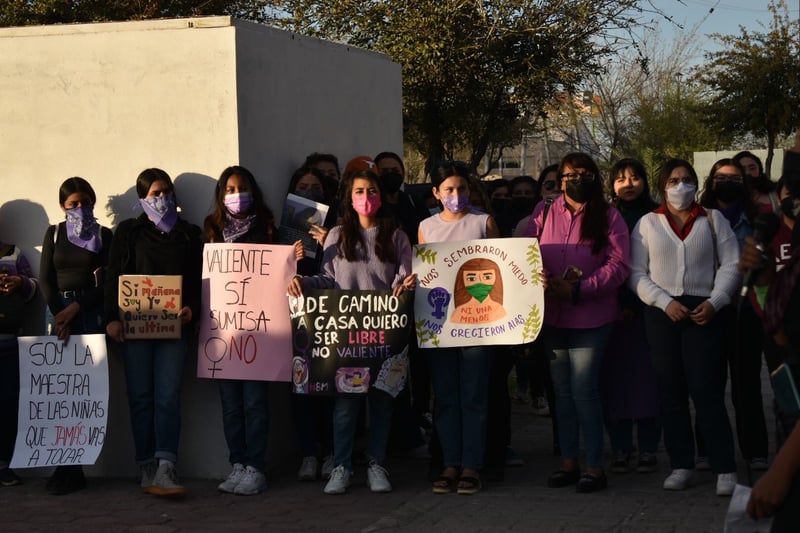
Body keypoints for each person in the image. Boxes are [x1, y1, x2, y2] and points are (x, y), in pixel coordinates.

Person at [287, 170, 415, 495]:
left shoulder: (397, 236)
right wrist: (305, 283)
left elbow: (403, 276)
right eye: (359, 190)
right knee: (345, 404)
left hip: (385, 331)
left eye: (371, 189)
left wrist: (405, 286)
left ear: (381, 194)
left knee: (382, 401)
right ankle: (341, 466)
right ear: (350, 196)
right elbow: (328, 278)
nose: (366, 196)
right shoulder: (336, 235)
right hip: (347, 333)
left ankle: (376, 464)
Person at [629, 158, 740, 496]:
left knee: (707, 391)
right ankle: (681, 464)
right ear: (662, 186)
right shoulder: (648, 223)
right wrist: (664, 302)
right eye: (673, 180)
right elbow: (636, 273)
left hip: (703, 311)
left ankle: (724, 467)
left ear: (697, 183)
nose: (681, 186)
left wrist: (716, 301)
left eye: (687, 179)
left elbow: (731, 264)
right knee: (671, 393)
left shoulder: (713, 220)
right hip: (663, 312)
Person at [524, 152, 630, 493]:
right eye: (569, 175)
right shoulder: (543, 213)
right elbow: (525, 252)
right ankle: (569, 461)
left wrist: (579, 288)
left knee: (585, 390)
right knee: (563, 392)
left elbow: (619, 265)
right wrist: (540, 279)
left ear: (595, 178)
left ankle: (595, 466)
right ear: (559, 178)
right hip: (553, 315)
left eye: (583, 174)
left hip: (592, 316)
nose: (575, 180)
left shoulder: (610, 216)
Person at [204, 165, 303, 495]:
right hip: (225, 336)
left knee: (255, 403)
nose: (236, 195)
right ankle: (238, 464)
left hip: (260, 339)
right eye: (229, 189)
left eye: (242, 187)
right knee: (231, 405)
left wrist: (294, 257)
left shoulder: (269, 228)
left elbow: (285, 270)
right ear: (221, 195)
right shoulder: (212, 230)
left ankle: (256, 467)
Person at [105, 168, 203, 497]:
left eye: (166, 192)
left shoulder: (189, 234)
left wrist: (191, 307)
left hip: (175, 327)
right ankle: (145, 463)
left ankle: (166, 464)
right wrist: (112, 319)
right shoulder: (129, 233)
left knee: (168, 396)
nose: (162, 199)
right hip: (134, 329)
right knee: (141, 398)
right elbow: (113, 276)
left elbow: (197, 279)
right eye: (154, 194)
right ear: (142, 199)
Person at [418, 161, 501, 495]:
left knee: (474, 396)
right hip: (440, 325)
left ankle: (472, 465)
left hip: (479, 324)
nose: (456, 195)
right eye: (449, 189)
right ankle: (450, 462)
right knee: (447, 398)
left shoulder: (484, 222)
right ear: (436, 193)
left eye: (462, 188)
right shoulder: (426, 227)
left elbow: (502, 266)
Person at [39, 177, 113, 494]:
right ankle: (63, 466)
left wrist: (75, 309)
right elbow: (45, 279)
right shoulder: (54, 234)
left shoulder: (104, 235)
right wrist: (60, 314)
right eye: (73, 203)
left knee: (84, 392)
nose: (80, 207)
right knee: (59, 393)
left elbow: (107, 282)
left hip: (89, 312)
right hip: (57, 315)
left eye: (85, 201)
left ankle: (77, 466)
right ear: (62, 207)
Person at [698, 158, 769, 471]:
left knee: (746, 385)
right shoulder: (699, 220)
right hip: (707, 310)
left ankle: (755, 451)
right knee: (707, 383)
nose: (727, 183)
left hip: (744, 312)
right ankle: (707, 450)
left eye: (735, 178)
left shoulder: (757, 222)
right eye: (721, 177)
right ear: (711, 182)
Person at [600, 159, 661, 474]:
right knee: (616, 383)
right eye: (621, 178)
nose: (628, 184)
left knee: (649, 383)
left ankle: (649, 447)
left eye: (635, 177)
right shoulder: (605, 217)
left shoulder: (657, 216)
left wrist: (638, 304)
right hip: (610, 311)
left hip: (649, 311)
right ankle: (621, 447)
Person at [285, 165, 336, 482]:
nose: (309, 191)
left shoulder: (339, 226)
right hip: (296, 315)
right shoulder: (282, 226)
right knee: (300, 386)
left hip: (331, 312)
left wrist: (331, 241)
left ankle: (331, 452)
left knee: (329, 383)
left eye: (315, 186)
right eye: (302, 186)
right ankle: (308, 453)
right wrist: (291, 257)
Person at [0, 238, 38, 487]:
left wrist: (20, 282)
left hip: (7, 344)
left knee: (7, 402)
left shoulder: (14, 254)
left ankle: (4, 464)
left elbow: (34, 288)